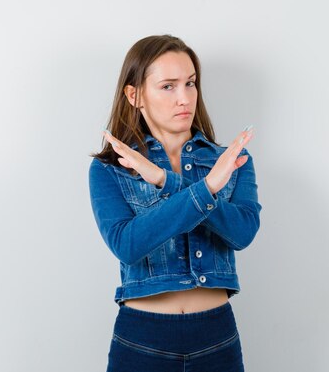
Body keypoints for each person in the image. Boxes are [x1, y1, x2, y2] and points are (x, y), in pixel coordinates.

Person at [88, 34, 262, 372]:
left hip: (217, 336)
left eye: (190, 83)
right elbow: (128, 244)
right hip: (143, 338)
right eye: (168, 86)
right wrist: (208, 188)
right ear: (134, 94)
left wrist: (165, 180)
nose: (184, 98)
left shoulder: (231, 161)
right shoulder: (110, 168)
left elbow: (242, 233)